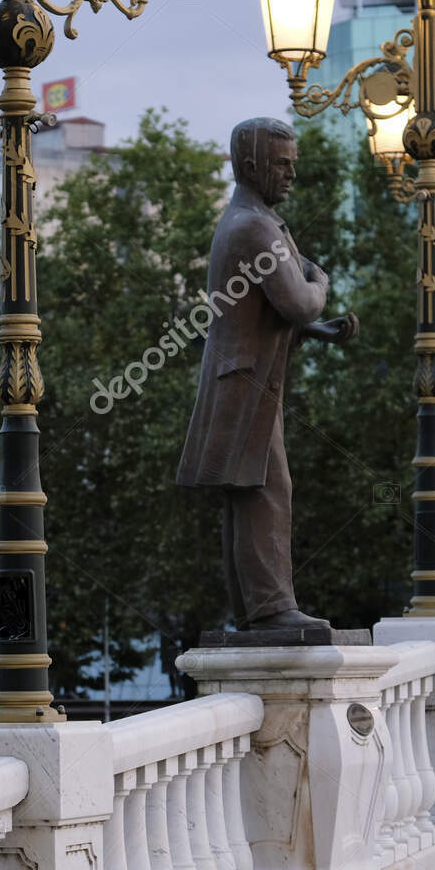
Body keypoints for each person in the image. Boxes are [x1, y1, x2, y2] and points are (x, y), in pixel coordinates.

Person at [176, 118, 358, 631]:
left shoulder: (255, 220)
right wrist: (320, 283)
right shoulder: (253, 227)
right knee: (267, 490)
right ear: (252, 166)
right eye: (283, 164)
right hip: (247, 383)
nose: (292, 175)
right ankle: (272, 610)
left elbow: (266, 313)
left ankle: (252, 611)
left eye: (293, 164)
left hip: (246, 378)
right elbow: (298, 301)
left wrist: (325, 329)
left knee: (249, 491)